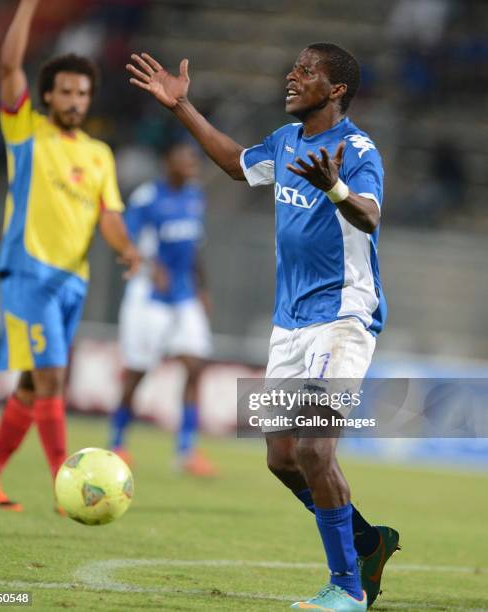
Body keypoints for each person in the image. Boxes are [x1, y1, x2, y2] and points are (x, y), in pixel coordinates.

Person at [126, 43, 399, 610]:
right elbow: (233, 163)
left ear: (337, 88)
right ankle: (368, 542)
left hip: (342, 318)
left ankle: (347, 589)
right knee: (281, 457)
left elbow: (369, 215)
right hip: (290, 321)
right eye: (294, 68)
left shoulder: (357, 148)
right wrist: (182, 107)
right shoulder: (285, 139)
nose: (292, 76)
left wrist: (335, 188)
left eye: (307, 71)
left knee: (316, 450)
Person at [0, 0, 140, 511]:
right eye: (65, 91)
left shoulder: (99, 154)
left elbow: (108, 214)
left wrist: (127, 249)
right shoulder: (27, 134)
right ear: (47, 96)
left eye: (82, 92)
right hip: (28, 273)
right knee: (52, 378)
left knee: (29, 385)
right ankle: (71, 487)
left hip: (71, 280)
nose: (74, 99)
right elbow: (7, 67)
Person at [109, 141, 217, 477]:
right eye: (184, 158)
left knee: (196, 364)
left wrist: (202, 287)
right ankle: (117, 443)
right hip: (148, 295)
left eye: (193, 160)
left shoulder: (194, 196)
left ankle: (186, 451)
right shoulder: (147, 197)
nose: (191, 164)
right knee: (139, 370)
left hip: (183, 294)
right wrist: (150, 268)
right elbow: (125, 239)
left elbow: (194, 246)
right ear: (167, 161)